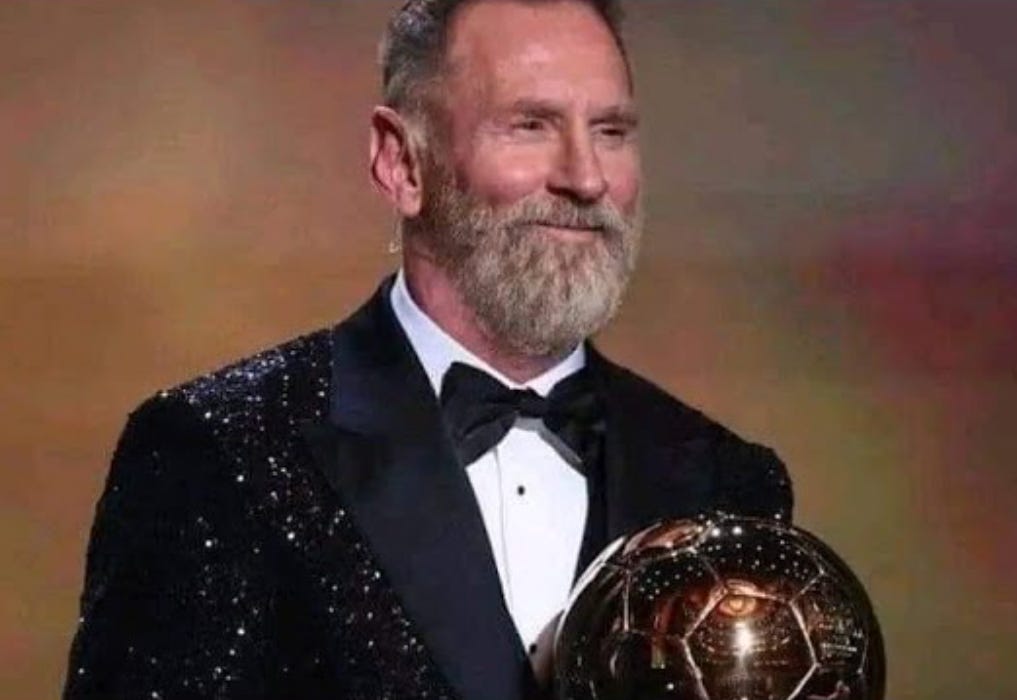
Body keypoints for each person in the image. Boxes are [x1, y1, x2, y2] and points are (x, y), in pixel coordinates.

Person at [63, 1, 792, 698]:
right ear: (402, 163)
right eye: (530, 125)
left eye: (610, 131)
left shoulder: (730, 484)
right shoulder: (220, 452)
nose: (585, 177)